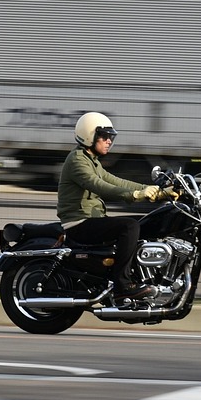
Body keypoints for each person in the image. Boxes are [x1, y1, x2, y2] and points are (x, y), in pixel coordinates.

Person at [58, 112, 164, 301]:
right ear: (89, 135)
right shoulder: (77, 160)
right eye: (104, 136)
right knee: (130, 226)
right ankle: (122, 286)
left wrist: (155, 190)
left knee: (147, 225)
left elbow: (117, 181)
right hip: (79, 223)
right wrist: (135, 195)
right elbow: (99, 185)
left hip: (92, 220)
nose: (109, 141)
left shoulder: (92, 161)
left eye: (110, 137)